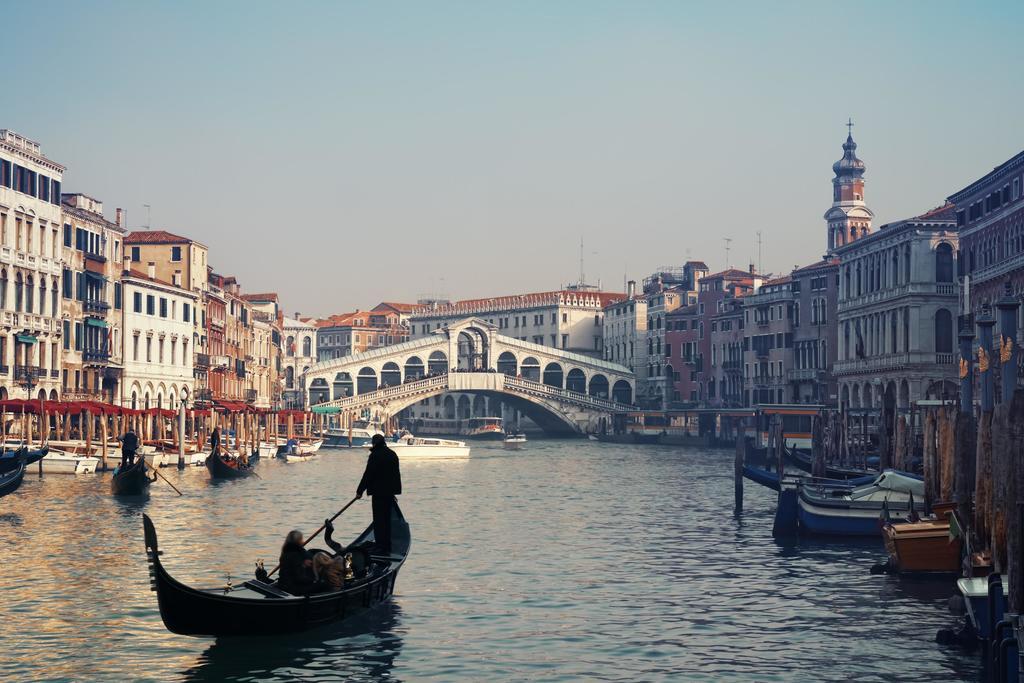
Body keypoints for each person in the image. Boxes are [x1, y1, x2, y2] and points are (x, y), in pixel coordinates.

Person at [357, 434, 402, 554]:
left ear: (374, 443)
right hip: (389, 493)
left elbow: (368, 474)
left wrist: (360, 491)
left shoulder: (375, 455)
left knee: (378, 520)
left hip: (378, 493)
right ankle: (386, 545)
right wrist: (394, 491)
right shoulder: (392, 454)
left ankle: (380, 545)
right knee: (386, 520)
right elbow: (396, 475)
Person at [276, 529, 315, 594]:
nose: (303, 541)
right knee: (323, 584)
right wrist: (313, 581)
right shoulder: (296, 555)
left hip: (283, 584)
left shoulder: (285, 552)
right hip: (292, 588)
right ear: (298, 541)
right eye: (301, 539)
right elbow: (299, 577)